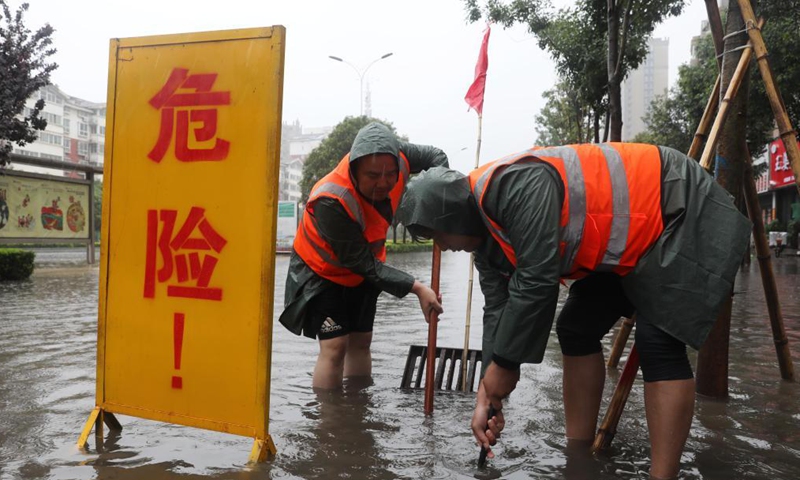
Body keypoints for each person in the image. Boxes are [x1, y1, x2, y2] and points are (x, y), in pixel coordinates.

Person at [396, 143, 751, 479]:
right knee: (576, 328)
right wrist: (486, 395)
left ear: (457, 217)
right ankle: (578, 455)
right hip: (627, 247)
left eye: (439, 235)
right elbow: (498, 312)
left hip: (678, 210)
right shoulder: (487, 244)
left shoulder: (517, 185)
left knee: (658, 341)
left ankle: (663, 475)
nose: (442, 246)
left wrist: (505, 367)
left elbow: (537, 280)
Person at [279, 122, 447, 390]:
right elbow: (359, 262)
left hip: (368, 266)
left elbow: (436, 157)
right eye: (372, 176)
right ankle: (332, 421)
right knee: (335, 345)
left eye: (390, 174)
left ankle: (357, 408)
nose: (383, 183)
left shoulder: (397, 156)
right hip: (323, 271)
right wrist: (417, 288)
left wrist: (438, 191)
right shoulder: (330, 199)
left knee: (361, 341)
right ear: (354, 168)